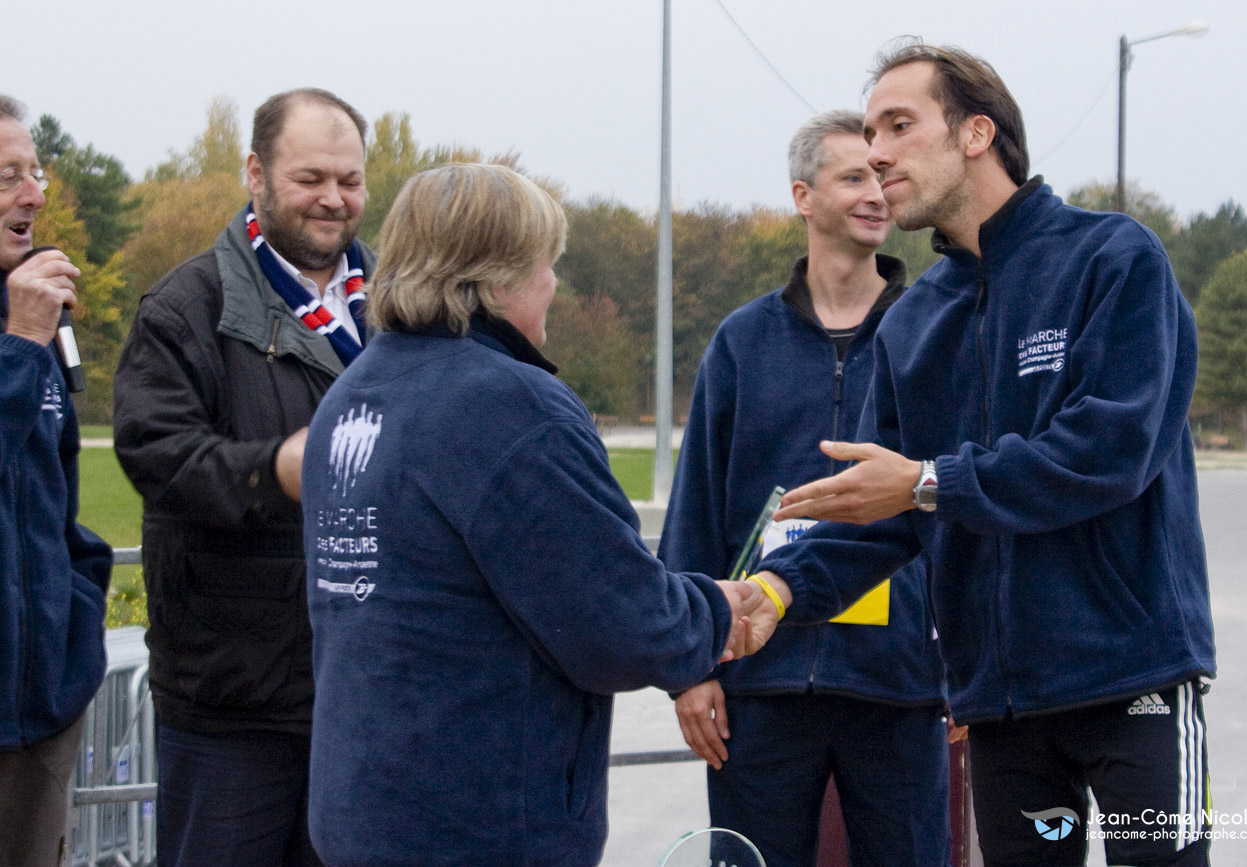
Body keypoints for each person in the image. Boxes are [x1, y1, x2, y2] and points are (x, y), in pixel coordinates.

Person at [747, 42, 1214, 867]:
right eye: (868, 131)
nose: (877, 151)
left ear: (975, 134)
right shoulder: (913, 320)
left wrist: (931, 480)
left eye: (899, 124)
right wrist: (779, 589)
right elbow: (881, 508)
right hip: (1002, 712)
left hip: (1133, 685)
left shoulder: (1113, 259)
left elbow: (1110, 451)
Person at [300, 163, 762, 867]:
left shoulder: (355, 392)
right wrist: (718, 611)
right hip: (477, 821)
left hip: (363, 803)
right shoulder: (508, 407)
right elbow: (619, 620)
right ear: (494, 279)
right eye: (545, 264)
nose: (553, 284)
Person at [658, 109, 949, 867]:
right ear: (803, 196)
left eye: (883, 176)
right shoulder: (742, 342)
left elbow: (959, 498)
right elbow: (694, 515)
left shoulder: (934, 331)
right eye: (853, 176)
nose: (876, 193)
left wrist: (966, 664)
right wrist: (690, 669)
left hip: (900, 686)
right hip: (763, 681)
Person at [113, 88, 374, 867]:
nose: (333, 199)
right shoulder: (183, 308)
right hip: (232, 709)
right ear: (255, 174)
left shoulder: (399, 309)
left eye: (351, 180)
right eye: (311, 177)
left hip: (362, 698)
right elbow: (157, 454)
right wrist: (275, 471)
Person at [0, 94, 113, 867]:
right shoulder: (27, 327)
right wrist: (20, 346)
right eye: (7, 175)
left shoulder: (35, 311)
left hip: (41, 706)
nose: (35, 194)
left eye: (33, 170)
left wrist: (78, 603)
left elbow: (56, 484)